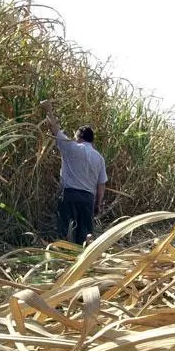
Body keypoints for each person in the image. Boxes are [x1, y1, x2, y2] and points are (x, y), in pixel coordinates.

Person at [41, 100, 107, 245]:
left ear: (78, 137)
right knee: (85, 234)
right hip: (88, 198)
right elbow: (101, 185)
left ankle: (64, 257)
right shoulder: (99, 158)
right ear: (92, 140)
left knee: (64, 230)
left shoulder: (71, 148)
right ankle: (83, 261)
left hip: (69, 195)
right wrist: (98, 204)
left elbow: (54, 129)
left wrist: (48, 109)